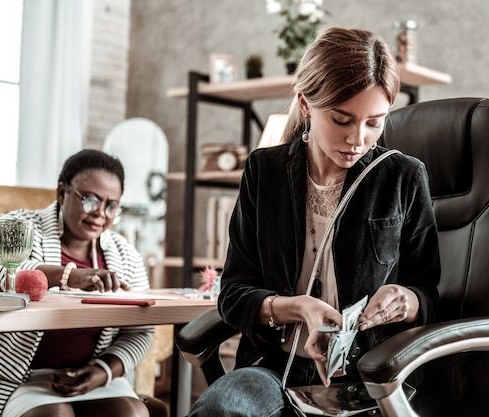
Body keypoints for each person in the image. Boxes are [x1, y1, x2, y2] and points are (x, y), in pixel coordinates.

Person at [188, 27, 441, 416]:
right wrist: (297, 308)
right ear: (306, 104)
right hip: (273, 369)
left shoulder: (402, 177)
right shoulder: (264, 172)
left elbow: (428, 291)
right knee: (222, 407)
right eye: (342, 119)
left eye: (375, 122)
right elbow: (234, 294)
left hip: (370, 375)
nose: (358, 139)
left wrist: (405, 302)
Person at [0, 149, 153, 417]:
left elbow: (141, 330)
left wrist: (105, 370)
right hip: (18, 376)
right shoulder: (20, 226)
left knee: (131, 413)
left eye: (111, 205)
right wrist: (69, 275)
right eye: (90, 200)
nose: (100, 214)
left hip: (93, 374)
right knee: (55, 415)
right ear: (62, 193)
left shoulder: (124, 254)